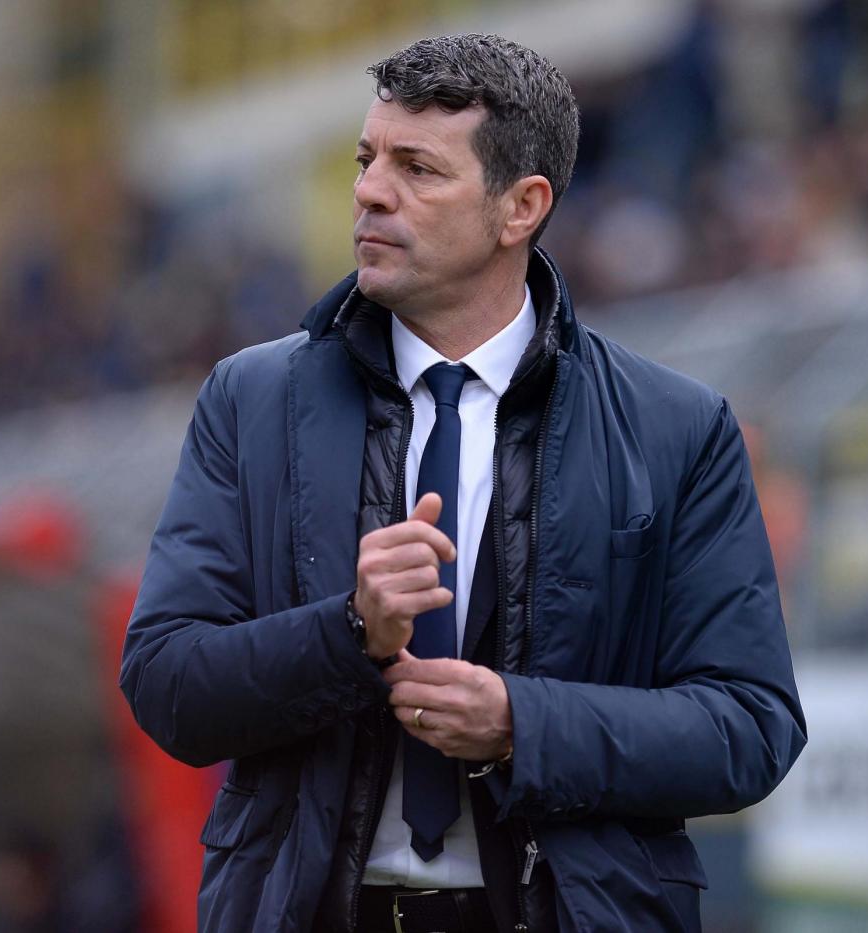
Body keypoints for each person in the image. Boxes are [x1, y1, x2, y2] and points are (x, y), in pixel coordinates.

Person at [120, 34, 806, 933]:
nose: (371, 191)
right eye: (367, 160)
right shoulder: (250, 402)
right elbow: (165, 680)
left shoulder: (675, 427)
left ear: (521, 207)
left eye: (417, 168)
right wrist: (348, 631)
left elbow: (749, 725)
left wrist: (523, 721)